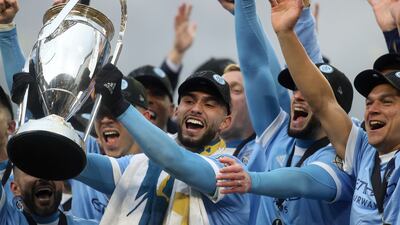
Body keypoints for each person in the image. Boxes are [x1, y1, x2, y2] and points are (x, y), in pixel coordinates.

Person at [215, 0, 354, 224]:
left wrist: (253, 180)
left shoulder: (345, 158)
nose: (297, 96)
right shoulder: (278, 133)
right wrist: (244, 6)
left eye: (308, 94)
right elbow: (254, 67)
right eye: (295, 90)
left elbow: (304, 181)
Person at [268, 0, 400, 223]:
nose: (373, 110)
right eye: (368, 103)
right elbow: (321, 101)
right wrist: (285, 33)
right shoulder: (363, 151)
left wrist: (392, 36)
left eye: (386, 102)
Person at [73, 65, 249, 225]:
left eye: (209, 104)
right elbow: (86, 165)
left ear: (225, 122)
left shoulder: (230, 168)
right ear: (176, 111)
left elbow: (176, 161)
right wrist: (56, 150)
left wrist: (119, 105)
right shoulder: (142, 164)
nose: (196, 108)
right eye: (189, 101)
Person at [0, 165, 97, 225]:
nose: (43, 177)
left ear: (61, 183)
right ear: (15, 188)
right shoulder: (6, 221)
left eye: (50, 170)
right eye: (32, 171)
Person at [220, 64, 255, 164]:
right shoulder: (193, 147)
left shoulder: (267, 153)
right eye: (219, 90)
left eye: (236, 90)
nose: (223, 95)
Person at [128, 65, 175, 133]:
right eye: (139, 92)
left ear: (171, 110)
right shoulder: (109, 141)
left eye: (157, 94)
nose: (148, 99)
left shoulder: (177, 143)